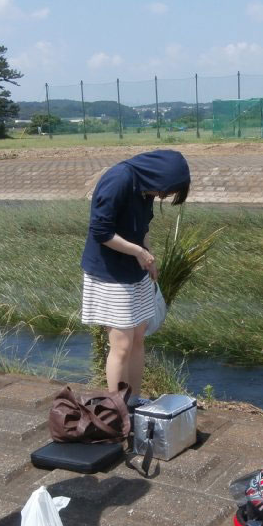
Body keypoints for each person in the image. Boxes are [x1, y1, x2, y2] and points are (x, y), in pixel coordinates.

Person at [81, 150, 190, 402]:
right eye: (166, 191)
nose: (162, 196)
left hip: (136, 271)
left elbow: (142, 227)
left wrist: (148, 256)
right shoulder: (119, 179)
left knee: (138, 339)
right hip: (110, 275)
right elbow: (100, 231)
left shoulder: (145, 187)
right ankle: (117, 408)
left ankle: (134, 401)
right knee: (121, 346)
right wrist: (138, 252)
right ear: (159, 178)